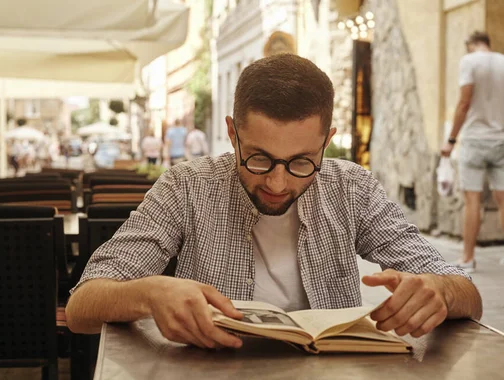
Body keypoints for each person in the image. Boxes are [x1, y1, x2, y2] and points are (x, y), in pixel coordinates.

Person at [67, 54, 482, 349]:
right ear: (233, 134)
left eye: (302, 161)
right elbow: (82, 307)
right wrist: (151, 292)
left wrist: (439, 291)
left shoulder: (351, 188)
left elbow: (468, 294)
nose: (279, 182)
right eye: (260, 158)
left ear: (327, 142)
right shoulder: (187, 185)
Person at [441, 31, 504, 272]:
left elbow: (464, 102)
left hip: (475, 140)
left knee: (472, 201)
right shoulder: (503, 61)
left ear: (472, 45)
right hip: (501, 140)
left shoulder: (469, 61)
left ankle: (467, 259)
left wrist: (451, 140)